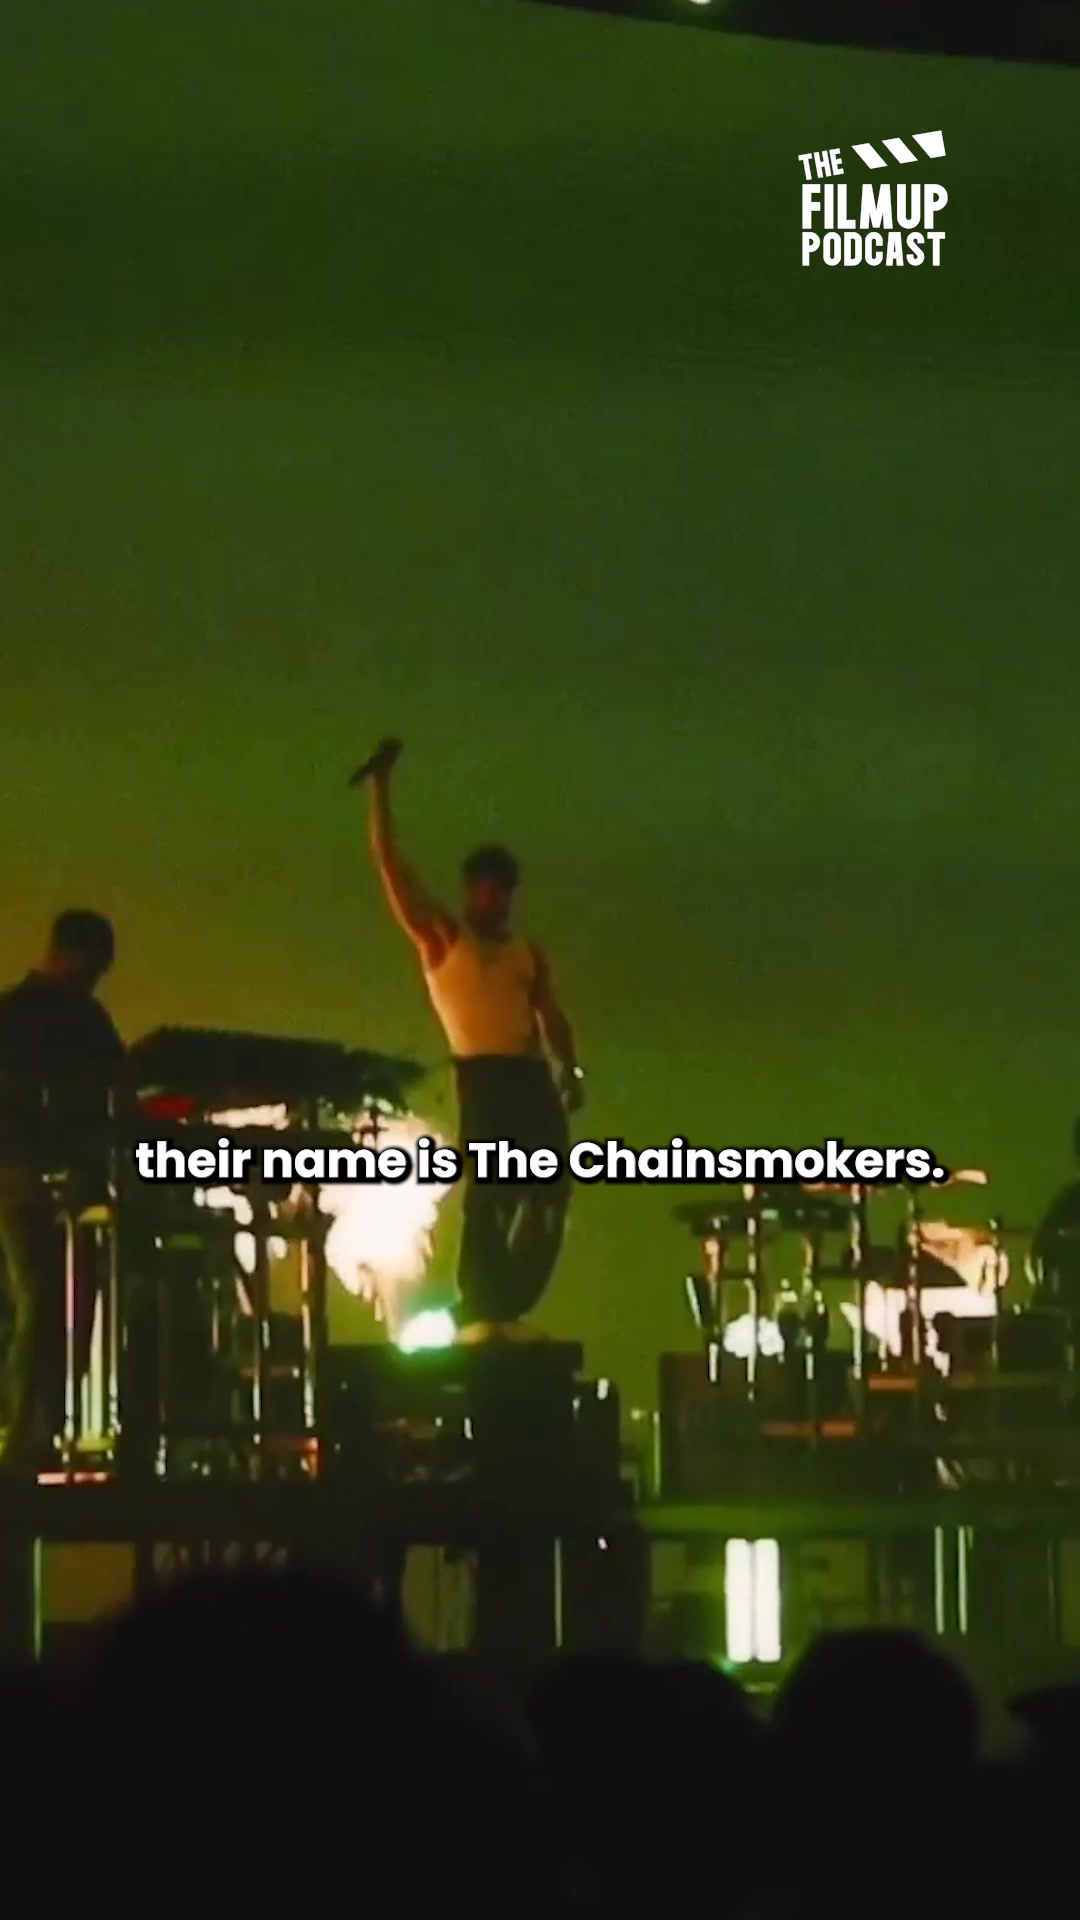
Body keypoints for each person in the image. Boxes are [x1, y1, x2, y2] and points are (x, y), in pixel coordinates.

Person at [362, 738, 582, 1338]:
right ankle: (480, 1299)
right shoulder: (444, 939)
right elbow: (392, 867)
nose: (495, 899)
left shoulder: (526, 953)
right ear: (470, 891)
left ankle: (508, 1301)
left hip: (529, 1077)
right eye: (486, 889)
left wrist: (570, 1069)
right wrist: (380, 790)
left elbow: (551, 1015)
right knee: (489, 1192)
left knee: (547, 1190)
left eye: (503, 891)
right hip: (482, 1076)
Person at [0, 910, 124, 1470]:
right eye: (94, 969)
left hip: (41, 1181)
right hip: (24, 1180)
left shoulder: (22, 1014)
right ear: (75, 957)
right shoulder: (48, 1019)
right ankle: (31, 1436)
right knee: (46, 1301)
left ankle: (35, 1430)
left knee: (44, 1304)